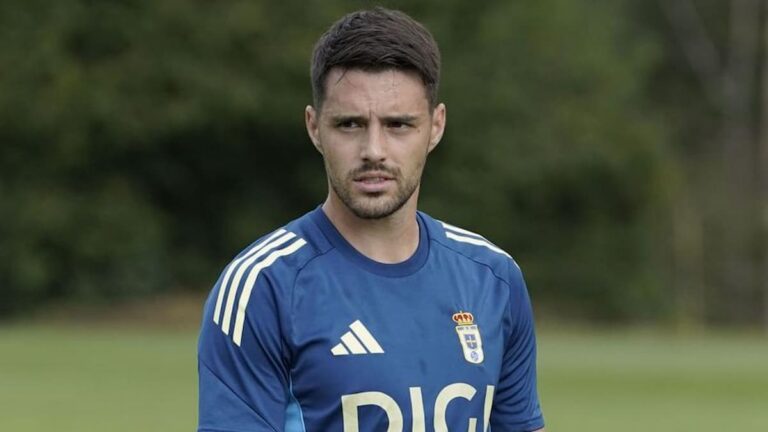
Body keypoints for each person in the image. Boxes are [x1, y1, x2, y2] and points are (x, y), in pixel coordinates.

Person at [197, 7, 545, 432]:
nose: (374, 150)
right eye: (350, 124)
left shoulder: (493, 278)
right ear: (314, 127)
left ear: (435, 127)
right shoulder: (263, 286)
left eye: (398, 124)